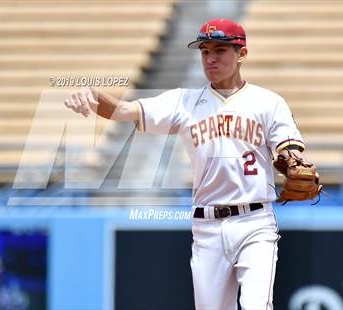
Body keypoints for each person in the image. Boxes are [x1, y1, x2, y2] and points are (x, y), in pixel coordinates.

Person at [64, 18, 321, 310]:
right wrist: (92, 95)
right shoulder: (183, 102)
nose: (210, 58)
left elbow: (289, 148)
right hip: (206, 226)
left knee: (256, 306)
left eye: (220, 50)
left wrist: (291, 160)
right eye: (205, 51)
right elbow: (124, 110)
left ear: (242, 54)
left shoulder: (268, 102)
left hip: (255, 223)